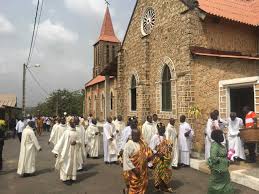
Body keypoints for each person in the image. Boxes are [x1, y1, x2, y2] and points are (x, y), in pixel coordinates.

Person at [123, 128, 153, 194]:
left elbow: (147, 152)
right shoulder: (129, 144)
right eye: (135, 135)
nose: (137, 137)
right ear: (132, 135)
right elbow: (126, 158)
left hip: (143, 169)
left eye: (138, 135)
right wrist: (134, 169)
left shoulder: (142, 143)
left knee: (142, 184)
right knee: (134, 186)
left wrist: (149, 157)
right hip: (133, 170)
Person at [52, 119, 81, 185]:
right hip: (67, 152)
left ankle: (71, 177)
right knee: (66, 164)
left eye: (75, 123)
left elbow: (79, 141)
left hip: (74, 151)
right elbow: (61, 141)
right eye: (73, 123)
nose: (74, 124)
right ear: (70, 124)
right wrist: (56, 151)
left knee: (72, 164)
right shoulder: (67, 132)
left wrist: (76, 142)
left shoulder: (76, 132)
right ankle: (65, 178)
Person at [207, 130, 234, 194]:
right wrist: (224, 160)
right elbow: (213, 158)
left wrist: (229, 156)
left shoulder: (220, 144)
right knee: (217, 183)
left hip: (223, 168)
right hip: (218, 169)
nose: (223, 137)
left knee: (226, 181)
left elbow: (223, 155)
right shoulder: (215, 146)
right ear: (217, 136)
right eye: (221, 135)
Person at [149, 123, 174, 192]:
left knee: (165, 172)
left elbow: (166, 145)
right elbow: (151, 148)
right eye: (161, 129)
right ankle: (158, 187)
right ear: (158, 129)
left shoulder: (165, 136)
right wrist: (157, 154)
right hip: (158, 158)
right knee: (158, 173)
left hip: (165, 158)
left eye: (164, 129)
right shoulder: (155, 137)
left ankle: (164, 186)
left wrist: (169, 148)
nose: (163, 130)